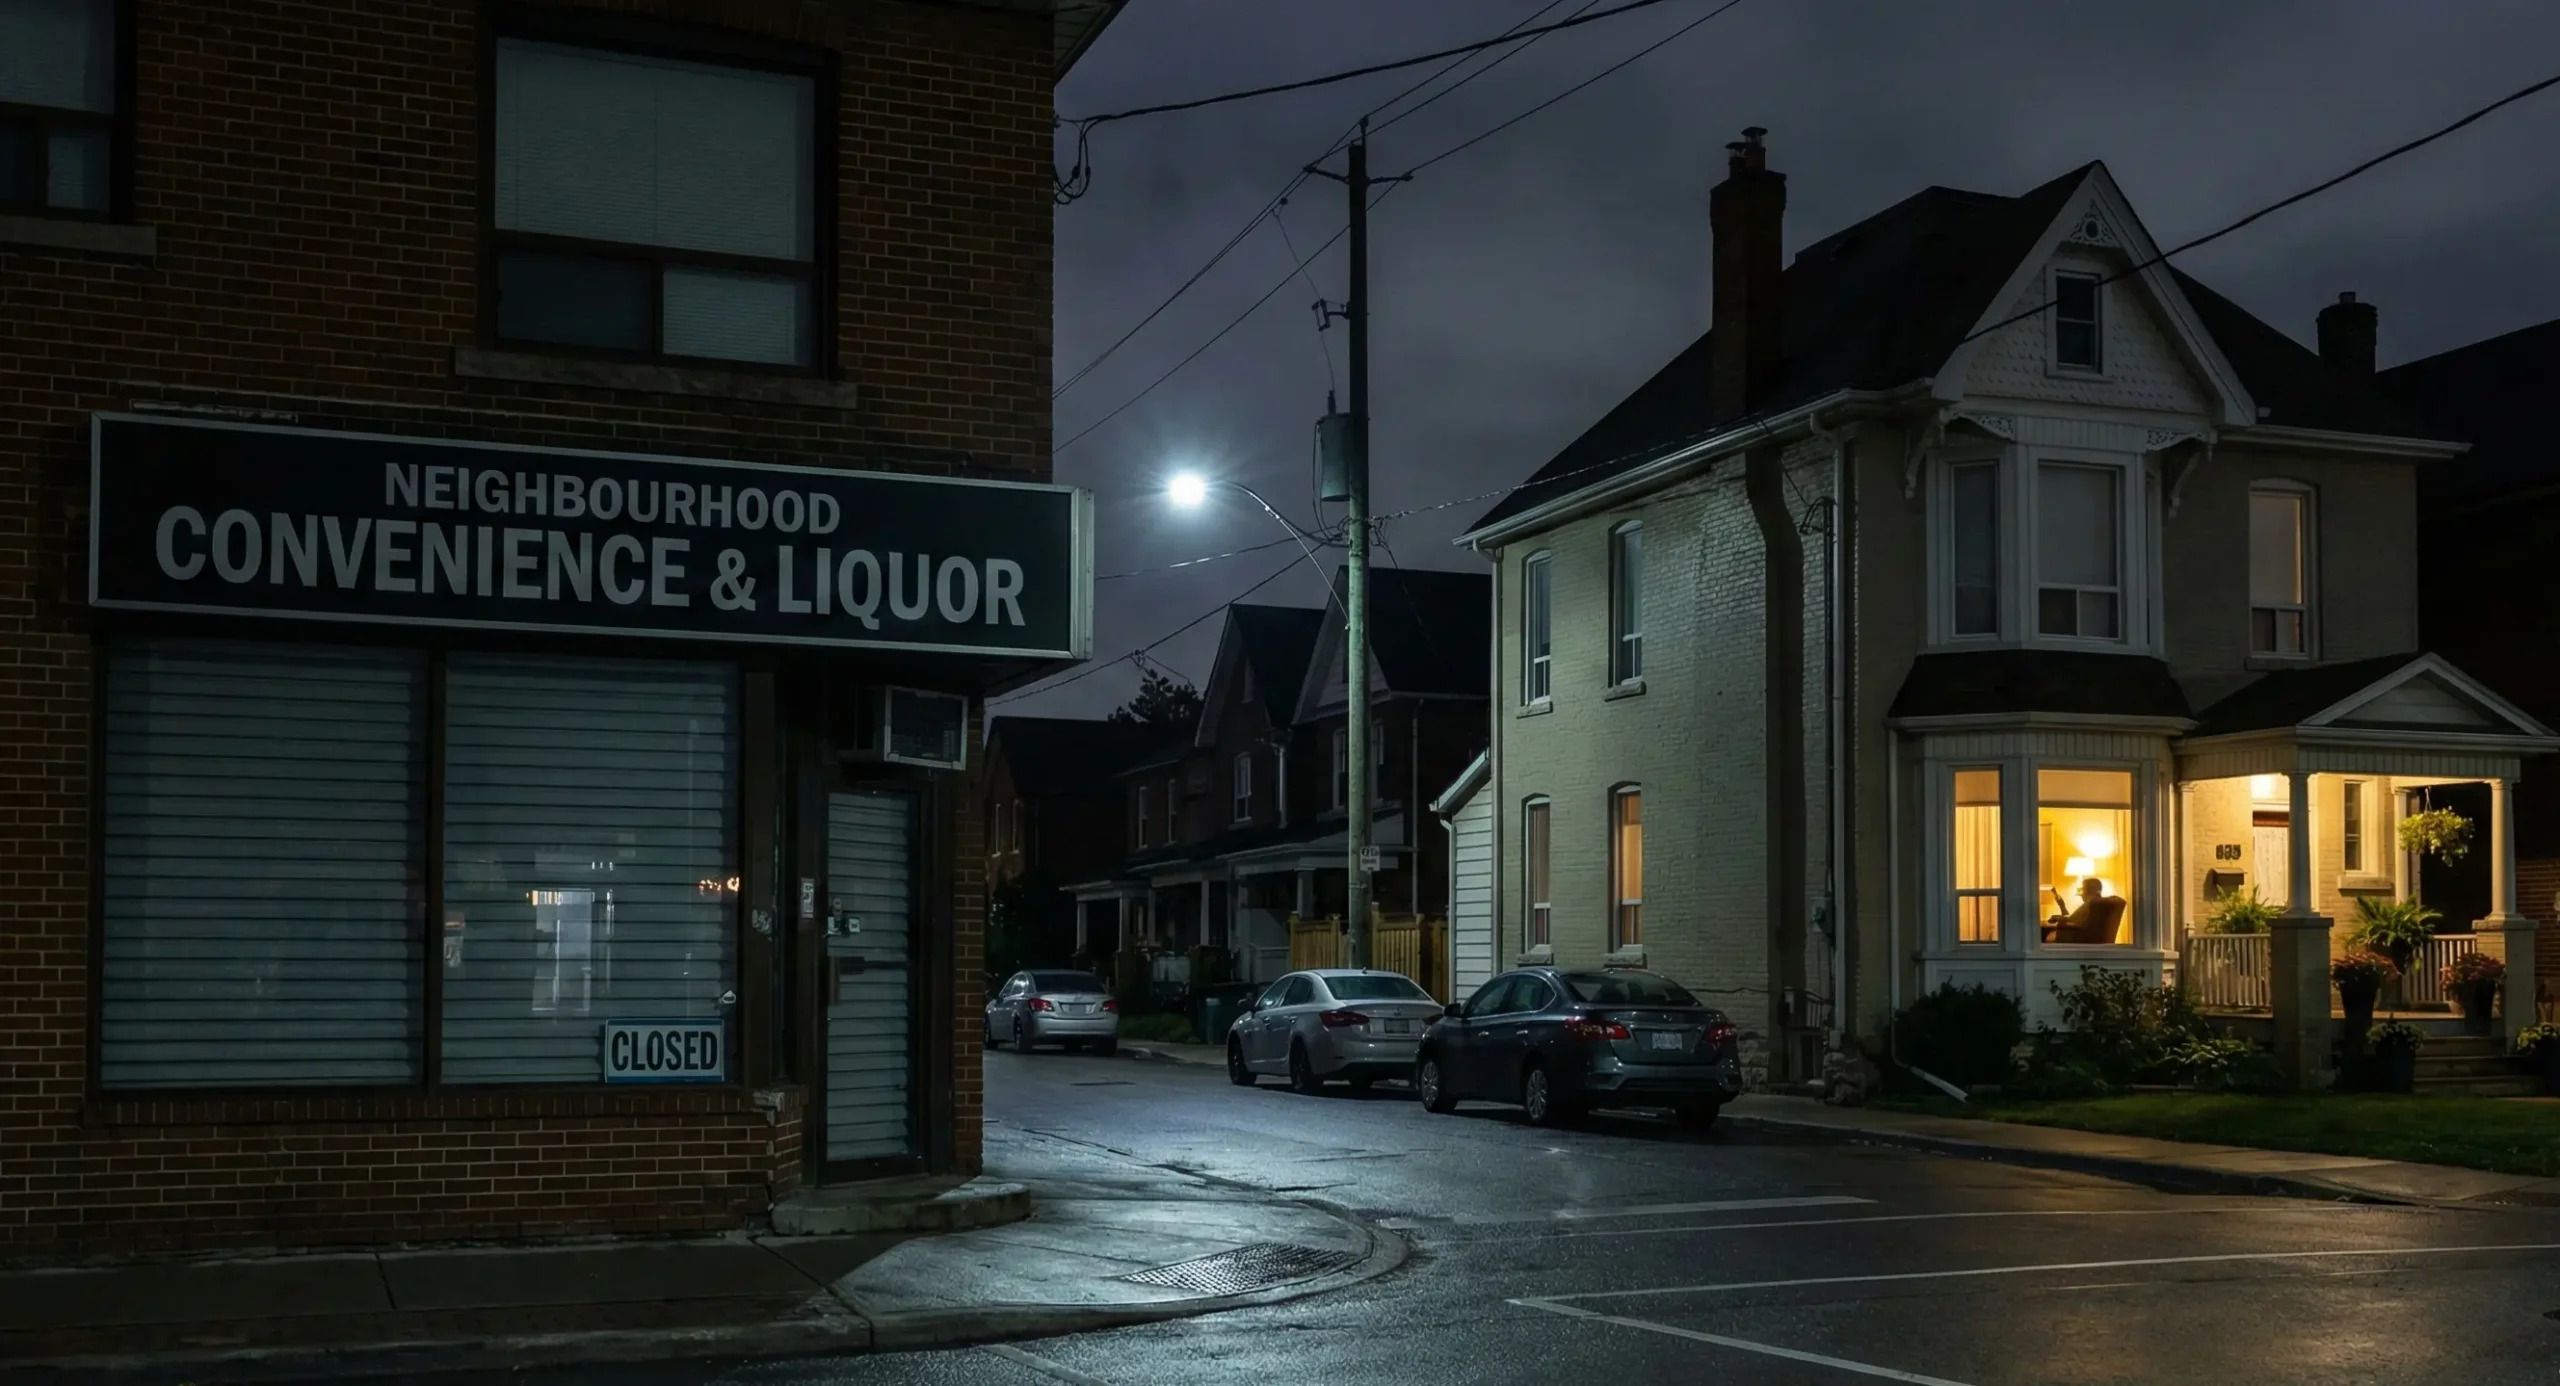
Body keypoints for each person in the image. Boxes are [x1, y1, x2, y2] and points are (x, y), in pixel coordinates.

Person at [2045, 877, 2126, 944]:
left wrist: (2058, 919)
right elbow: (2075, 920)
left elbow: (2071, 920)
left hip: (2078, 941)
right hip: (2089, 940)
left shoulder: (2091, 902)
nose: (2081, 893)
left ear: (2089, 890)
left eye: (2083, 889)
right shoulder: (2096, 903)